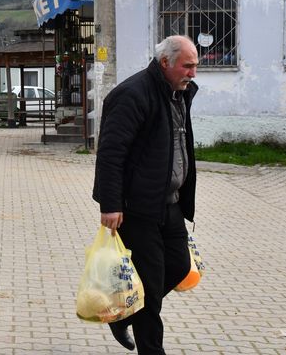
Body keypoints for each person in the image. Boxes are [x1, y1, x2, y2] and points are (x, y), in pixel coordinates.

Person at [93, 35, 199, 354]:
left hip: (170, 205)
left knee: (180, 267)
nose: (193, 73)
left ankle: (122, 315)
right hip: (137, 208)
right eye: (188, 66)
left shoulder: (180, 93)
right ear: (165, 63)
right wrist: (110, 204)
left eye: (196, 66)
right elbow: (111, 154)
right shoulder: (132, 95)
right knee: (150, 289)